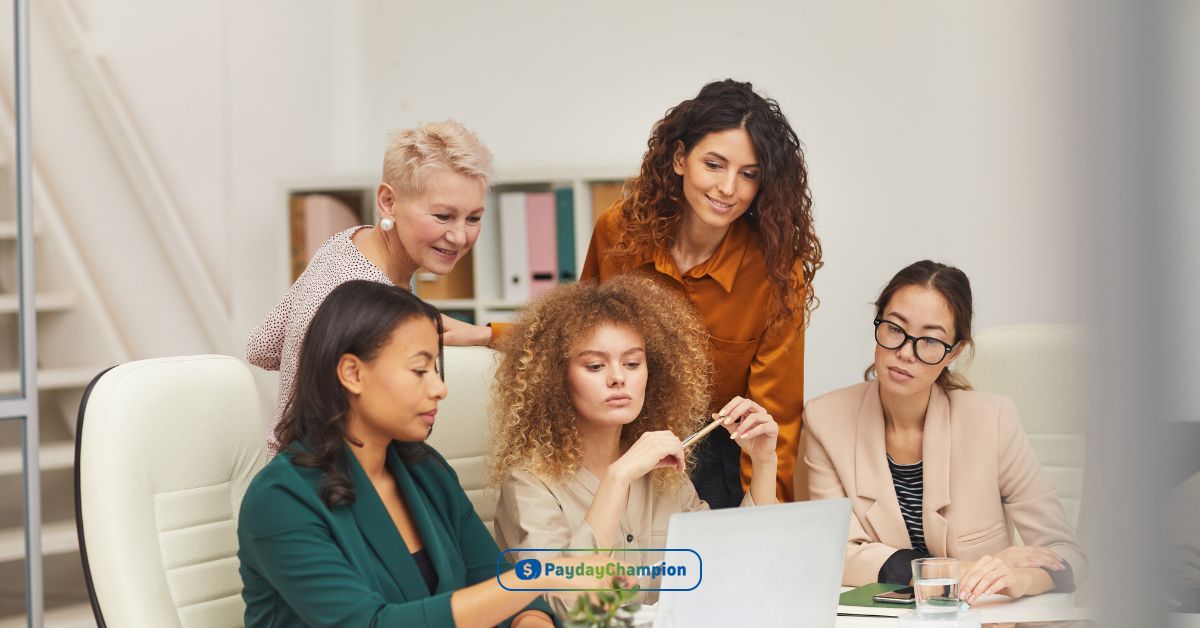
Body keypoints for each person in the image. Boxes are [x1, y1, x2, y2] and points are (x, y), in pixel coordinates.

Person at [453, 79, 821, 508]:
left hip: (719, 452)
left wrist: (762, 520)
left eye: (749, 175)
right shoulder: (620, 230)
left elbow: (774, 416)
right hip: (618, 440)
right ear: (681, 158)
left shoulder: (778, 269)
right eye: (715, 165)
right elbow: (578, 331)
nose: (728, 189)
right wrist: (488, 334)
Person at [238, 280, 620, 627]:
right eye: (420, 370)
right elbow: (369, 624)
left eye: (437, 370)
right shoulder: (280, 499)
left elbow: (495, 583)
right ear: (352, 373)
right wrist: (538, 576)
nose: (440, 388)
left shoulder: (425, 470)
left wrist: (531, 620)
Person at [804, 261, 1086, 603]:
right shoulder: (825, 419)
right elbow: (837, 554)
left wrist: (1019, 579)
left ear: (956, 351)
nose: (906, 353)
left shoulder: (993, 420)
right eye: (894, 328)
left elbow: (1067, 555)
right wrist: (960, 570)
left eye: (931, 341)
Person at [490, 276, 779, 610]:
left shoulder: (663, 471)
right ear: (556, 379)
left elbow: (735, 570)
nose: (618, 377)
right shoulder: (528, 485)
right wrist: (618, 478)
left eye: (632, 363)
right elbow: (567, 605)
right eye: (595, 365)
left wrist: (763, 463)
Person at [247, 120, 493, 454]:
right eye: (442, 216)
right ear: (388, 201)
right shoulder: (373, 301)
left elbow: (261, 347)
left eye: (473, 218)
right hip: (329, 480)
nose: (460, 236)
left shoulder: (346, 243)